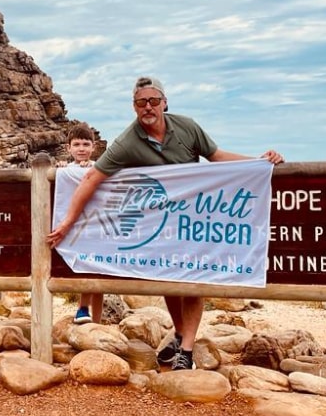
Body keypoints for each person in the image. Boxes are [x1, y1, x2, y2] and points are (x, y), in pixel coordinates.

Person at [47, 76, 284, 370]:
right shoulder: (127, 141)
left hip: (193, 219)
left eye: (153, 101)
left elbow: (216, 157)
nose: (148, 107)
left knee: (195, 281)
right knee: (170, 282)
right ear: (134, 107)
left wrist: (260, 163)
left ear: (164, 102)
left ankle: (185, 350)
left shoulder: (187, 127)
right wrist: (69, 221)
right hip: (163, 227)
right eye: (141, 102)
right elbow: (93, 178)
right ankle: (182, 334)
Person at [56, 123, 104, 325]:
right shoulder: (65, 169)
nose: (81, 149)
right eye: (77, 144)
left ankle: (97, 320)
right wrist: (58, 169)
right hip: (76, 227)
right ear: (68, 148)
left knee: (99, 272)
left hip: (96, 224)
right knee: (84, 266)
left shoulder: (96, 168)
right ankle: (82, 307)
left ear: (93, 147)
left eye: (86, 144)